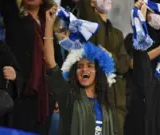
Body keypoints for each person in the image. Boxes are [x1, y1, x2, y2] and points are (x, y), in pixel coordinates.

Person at [44, 6, 119, 135]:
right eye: (79, 66)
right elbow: (50, 61)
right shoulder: (68, 97)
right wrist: (49, 24)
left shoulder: (107, 105)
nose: (84, 69)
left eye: (90, 66)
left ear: (99, 72)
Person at [0, 0, 63, 133]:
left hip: (45, 98)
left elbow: (57, 61)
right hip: (21, 92)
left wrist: (58, 94)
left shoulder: (49, 23)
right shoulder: (15, 16)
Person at [78, 1, 131, 134]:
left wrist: (110, 55)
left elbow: (124, 65)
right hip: (94, 92)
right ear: (91, 3)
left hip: (116, 94)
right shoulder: (89, 24)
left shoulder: (117, 33)